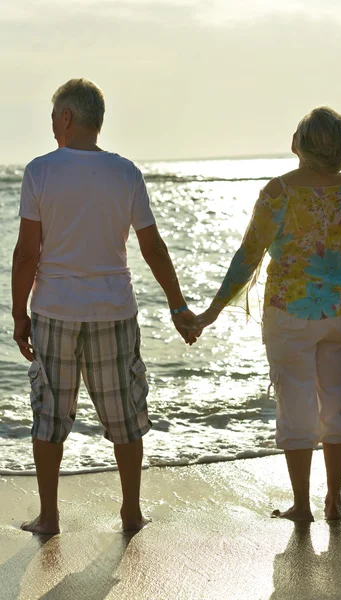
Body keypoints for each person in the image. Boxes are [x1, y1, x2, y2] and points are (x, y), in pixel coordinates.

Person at [11, 78, 200, 535]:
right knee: (124, 415)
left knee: (50, 416)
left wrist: (19, 316)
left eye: (53, 116)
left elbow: (26, 253)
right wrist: (177, 308)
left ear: (67, 118)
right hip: (114, 311)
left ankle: (50, 517)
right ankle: (131, 512)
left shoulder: (40, 170)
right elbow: (153, 247)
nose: (52, 124)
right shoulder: (125, 173)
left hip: (55, 311)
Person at [194, 106, 341, 522]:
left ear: (300, 144)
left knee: (296, 407)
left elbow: (248, 257)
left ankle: (302, 505)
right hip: (340, 311)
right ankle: (334, 502)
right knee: (338, 405)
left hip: (288, 313)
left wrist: (211, 310)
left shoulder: (278, 192)